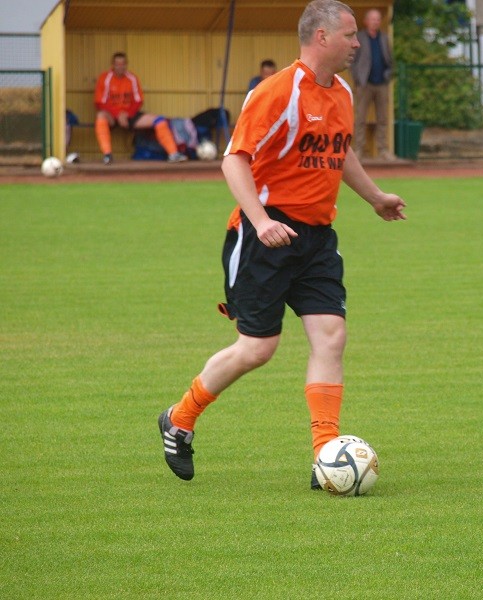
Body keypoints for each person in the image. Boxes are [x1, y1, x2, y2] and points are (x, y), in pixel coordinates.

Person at [158, 0, 406, 486]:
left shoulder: (343, 93)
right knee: (257, 348)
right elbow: (234, 159)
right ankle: (179, 419)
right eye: (350, 35)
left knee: (331, 336)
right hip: (264, 237)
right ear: (321, 37)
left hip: (317, 238)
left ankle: (324, 453)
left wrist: (375, 197)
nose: (358, 43)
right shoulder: (277, 91)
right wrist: (260, 220)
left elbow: (340, 152)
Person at [94, 52, 187, 164]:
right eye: (117, 64)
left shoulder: (132, 78)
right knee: (100, 116)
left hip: (129, 114)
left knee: (159, 120)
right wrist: (118, 115)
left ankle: (173, 154)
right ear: (112, 65)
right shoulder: (105, 78)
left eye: (123, 64)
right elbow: (100, 103)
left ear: (126, 65)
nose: (120, 67)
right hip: (112, 115)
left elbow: (138, 101)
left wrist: (126, 114)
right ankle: (107, 155)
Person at [350, 8, 395, 160]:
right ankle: (359, 150)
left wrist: (388, 74)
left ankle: (383, 150)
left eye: (378, 19)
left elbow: (390, 60)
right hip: (364, 84)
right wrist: (357, 78)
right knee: (360, 118)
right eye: (373, 19)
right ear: (366, 21)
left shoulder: (384, 38)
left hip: (382, 84)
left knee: (383, 118)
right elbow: (352, 60)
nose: (376, 22)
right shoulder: (359, 37)